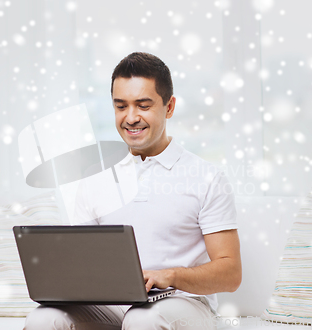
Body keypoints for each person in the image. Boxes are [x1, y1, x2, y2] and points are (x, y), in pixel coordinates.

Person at [23, 52, 241, 330]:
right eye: (121, 106)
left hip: (184, 302)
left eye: (143, 105)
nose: (131, 117)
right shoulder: (94, 177)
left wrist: (170, 276)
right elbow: (82, 262)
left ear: (169, 107)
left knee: (142, 319)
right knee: (43, 318)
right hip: (112, 304)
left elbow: (230, 273)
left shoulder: (207, 177)